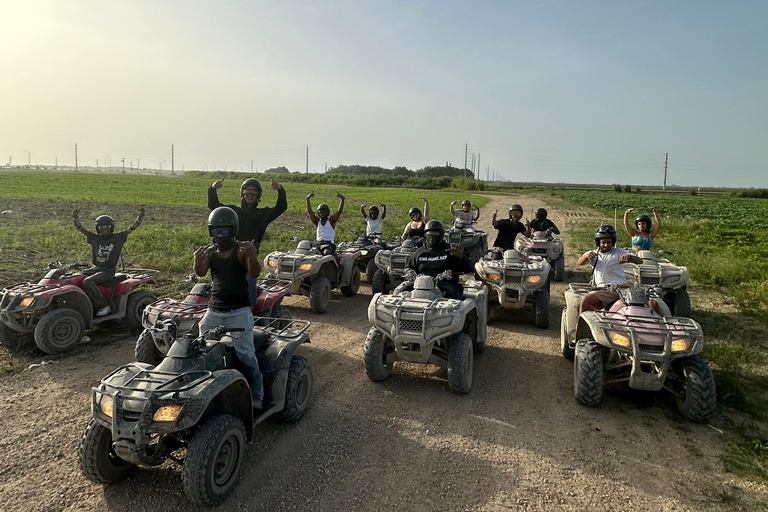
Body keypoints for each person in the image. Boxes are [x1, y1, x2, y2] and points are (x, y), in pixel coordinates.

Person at [193, 207, 264, 410]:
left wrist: (252, 256)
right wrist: (197, 262)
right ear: (211, 232)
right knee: (202, 351)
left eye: (224, 231)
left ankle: (257, 393)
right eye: (216, 231)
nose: (220, 235)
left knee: (247, 355)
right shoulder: (210, 252)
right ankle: (206, 391)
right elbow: (200, 272)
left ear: (233, 231)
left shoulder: (242, 250)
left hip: (239, 312)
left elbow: (255, 272)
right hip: (214, 310)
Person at [208, 178, 287, 305]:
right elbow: (214, 206)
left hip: (249, 255)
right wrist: (213, 189)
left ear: (258, 196)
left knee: (249, 285)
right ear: (242, 194)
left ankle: (249, 314)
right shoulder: (233, 212)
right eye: (247, 192)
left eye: (253, 193)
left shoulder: (262, 215)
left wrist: (280, 190)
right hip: (230, 253)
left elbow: (281, 207)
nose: (250, 196)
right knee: (223, 283)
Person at [73, 207, 145, 316]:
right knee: (75, 277)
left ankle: (103, 306)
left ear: (111, 228)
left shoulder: (118, 237)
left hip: (108, 271)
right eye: (101, 229)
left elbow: (132, 228)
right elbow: (81, 229)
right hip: (96, 268)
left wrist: (141, 216)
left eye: (107, 228)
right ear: (97, 229)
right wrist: (75, 217)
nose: (104, 231)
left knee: (87, 282)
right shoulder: (94, 238)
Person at [577, 225, 642, 313]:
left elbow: (639, 261)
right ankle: (581, 325)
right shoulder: (593, 254)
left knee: (648, 302)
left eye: (609, 242)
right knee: (586, 300)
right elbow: (580, 262)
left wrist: (629, 256)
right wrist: (586, 257)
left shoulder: (620, 252)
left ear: (613, 242)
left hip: (623, 288)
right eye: (603, 242)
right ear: (598, 242)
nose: (606, 245)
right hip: (604, 289)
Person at [407, 220, 472, 300]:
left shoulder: (450, 250)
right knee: (401, 290)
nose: (432, 237)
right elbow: (410, 268)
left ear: (441, 235)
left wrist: (461, 257)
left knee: (453, 294)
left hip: (444, 283)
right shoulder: (419, 252)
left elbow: (469, 269)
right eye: (429, 234)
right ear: (425, 235)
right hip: (420, 284)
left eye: (435, 234)